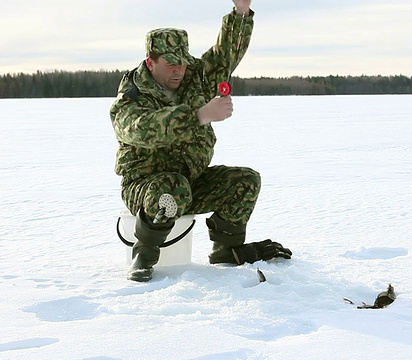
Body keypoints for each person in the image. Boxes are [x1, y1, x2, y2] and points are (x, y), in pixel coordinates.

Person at [110, 0, 292, 282]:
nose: (179, 71)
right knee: (172, 188)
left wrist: (241, 12)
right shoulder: (132, 96)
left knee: (245, 180)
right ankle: (143, 253)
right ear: (151, 62)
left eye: (182, 63)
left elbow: (225, 56)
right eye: (170, 64)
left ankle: (226, 251)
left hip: (191, 180)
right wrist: (198, 115)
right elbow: (139, 130)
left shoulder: (194, 76)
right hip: (146, 186)